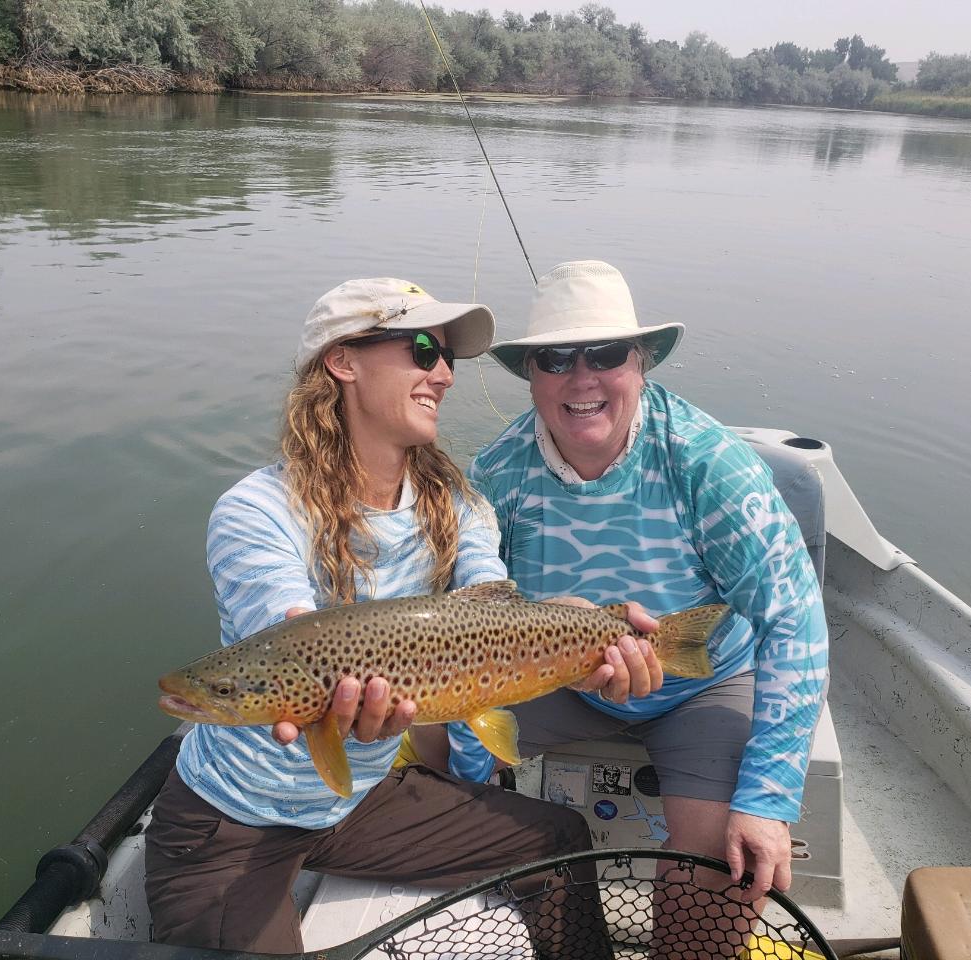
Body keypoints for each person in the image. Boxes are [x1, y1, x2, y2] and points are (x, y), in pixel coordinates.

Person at [143, 276, 657, 955]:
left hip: (357, 801)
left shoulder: (461, 507)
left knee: (559, 841)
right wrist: (328, 687)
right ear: (342, 361)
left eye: (447, 357)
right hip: (230, 827)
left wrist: (575, 640)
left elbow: (491, 601)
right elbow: (288, 624)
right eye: (422, 349)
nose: (443, 374)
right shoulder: (257, 511)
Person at [421, 259, 829, 949]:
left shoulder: (711, 465)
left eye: (606, 353)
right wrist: (470, 784)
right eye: (556, 359)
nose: (581, 378)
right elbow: (472, 621)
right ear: (531, 376)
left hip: (703, 683)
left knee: (723, 864)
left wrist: (768, 799)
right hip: (556, 672)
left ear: (641, 365)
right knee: (429, 738)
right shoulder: (496, 473)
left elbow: (794, 620)